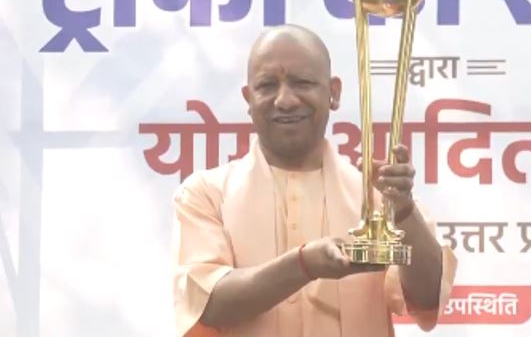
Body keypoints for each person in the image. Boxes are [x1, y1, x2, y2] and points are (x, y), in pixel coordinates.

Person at [172, 24, 457, 337]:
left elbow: (427, 299)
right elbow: (208, 304)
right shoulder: (206, 194)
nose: (285, 100)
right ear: (248, 98)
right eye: (267, 85)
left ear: (334, 93)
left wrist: (403, 211)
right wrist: (304, 264)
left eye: (302, 83)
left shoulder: (376, 196)